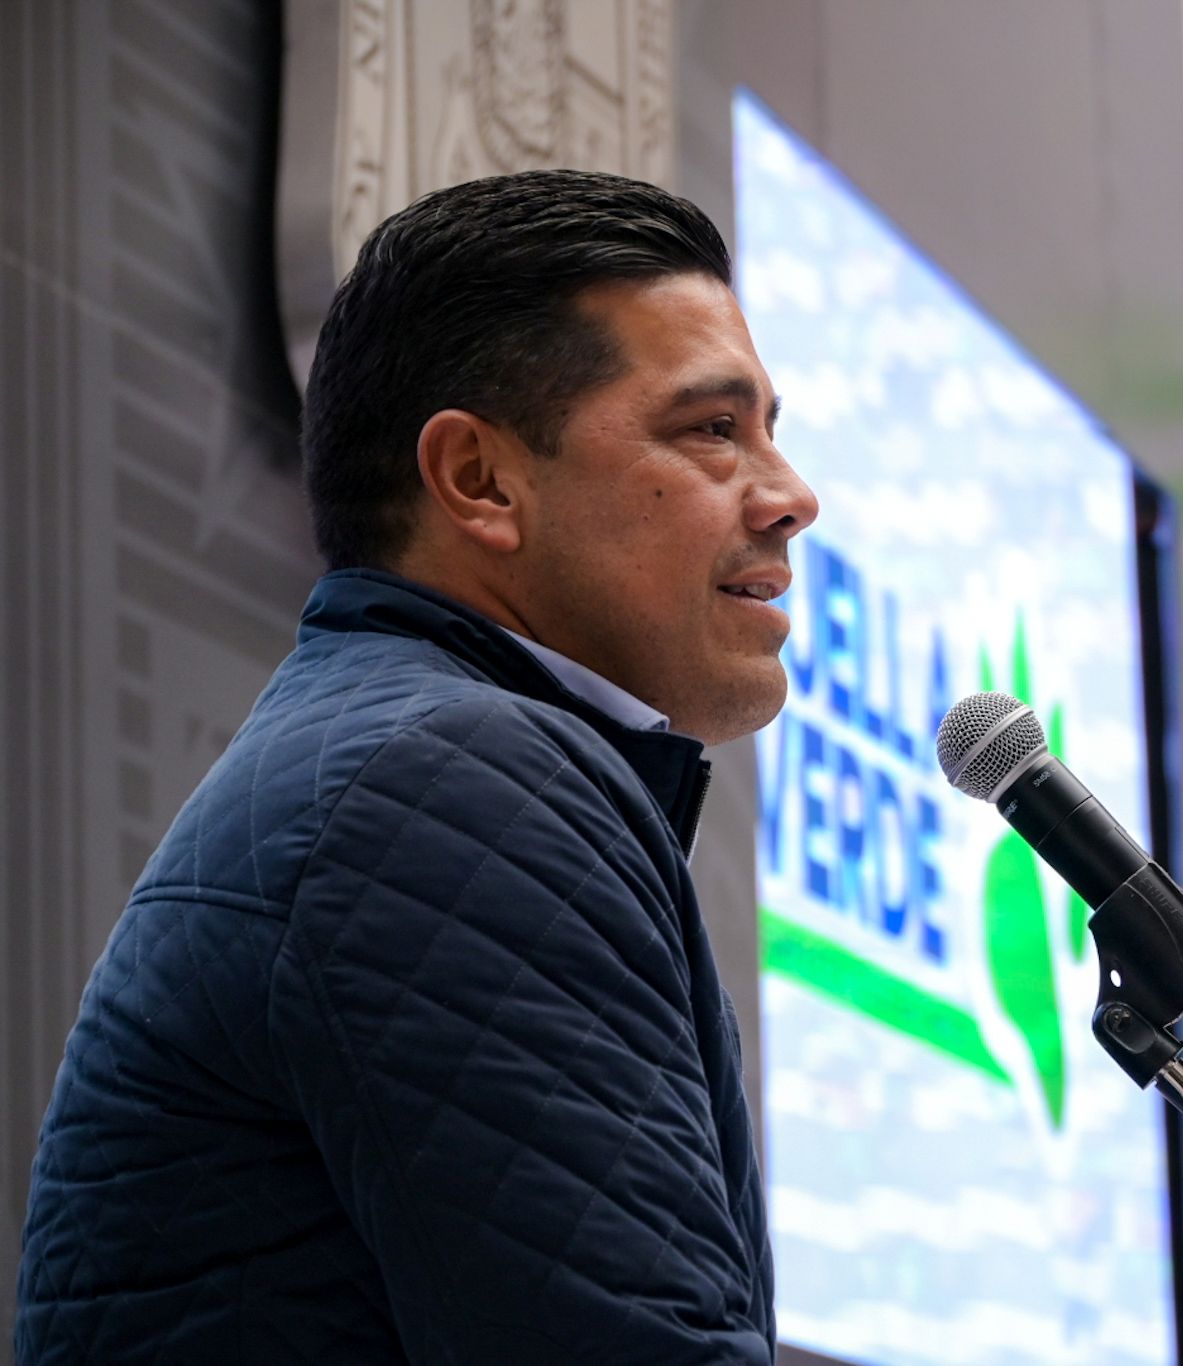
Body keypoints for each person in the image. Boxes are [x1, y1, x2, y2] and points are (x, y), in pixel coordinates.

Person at [14, 170, 816, 1362]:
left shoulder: (416, 759)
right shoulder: (452, 782)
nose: (790, 497)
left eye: (768, 431)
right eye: (711, 429)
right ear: (480, 481)